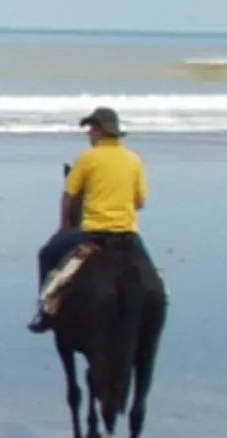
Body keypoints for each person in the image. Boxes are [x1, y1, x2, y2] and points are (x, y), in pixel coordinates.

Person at [28, 106, 149, 333]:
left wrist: (64, 228)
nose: (89, 134)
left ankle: (46, 311)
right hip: (128, 235)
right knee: (151, 276)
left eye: (91, 129)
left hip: (94, 232)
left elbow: (69, 197)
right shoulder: (134, 160)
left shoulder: (87, 158)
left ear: (100, 131)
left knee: (46, 255)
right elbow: (140, 202)